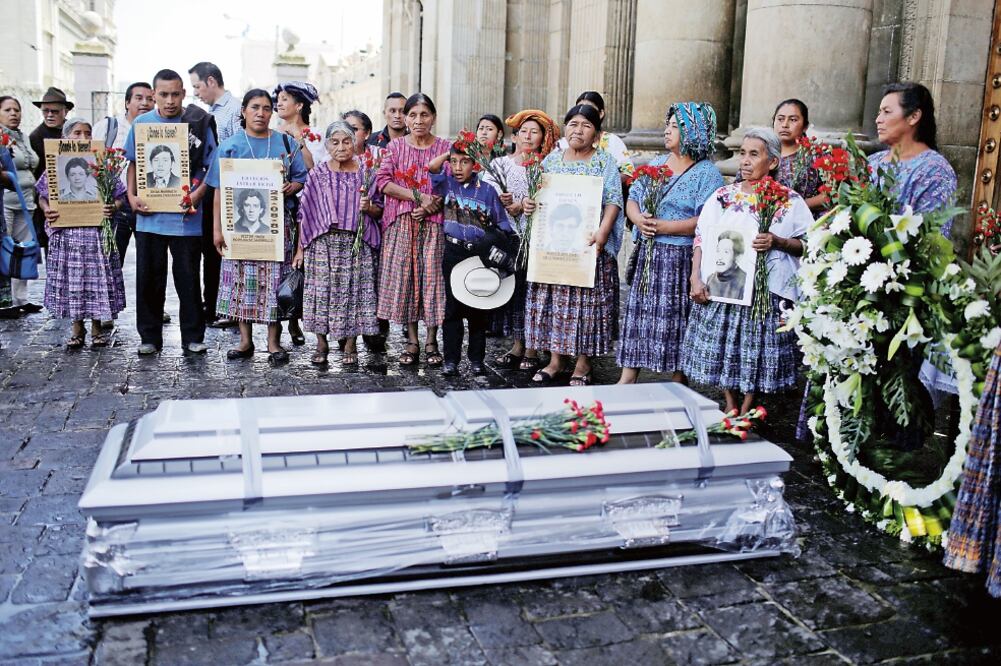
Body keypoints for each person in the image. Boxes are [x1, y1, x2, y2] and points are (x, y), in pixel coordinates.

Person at [682, 128, 812, 415]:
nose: (745, 160)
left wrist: (779, 242)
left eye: (754, 154)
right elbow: (702, 239)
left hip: (766, 291)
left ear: (773, 162)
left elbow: (809, 245)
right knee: (726, 344)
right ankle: (730, 402)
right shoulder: (723, 197)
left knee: (756, 347)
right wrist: (695, 277)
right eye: (743, 153)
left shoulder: (789, 201)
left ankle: (750, 405)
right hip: (725, 288)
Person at [617, 102, 724, 384]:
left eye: (676, 127)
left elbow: (706, 220)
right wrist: (638, 219)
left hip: (681, 257)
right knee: (639, 313)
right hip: (650, 254)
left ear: (694, 132)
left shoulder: (707, 174)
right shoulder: (655, 165)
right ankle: (628, 376)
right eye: (668, 125)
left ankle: (679, 378)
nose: (667, 131)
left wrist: (668, 227)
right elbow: (633, 199)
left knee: (679, 317)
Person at [522, 103, 624, 386]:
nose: (578, 130)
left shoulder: (604, 161)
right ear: (565, 128)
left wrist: (603, 233)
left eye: (586, 125)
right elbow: (537, 196)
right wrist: (529, 204)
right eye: (573, 124)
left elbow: (614, 200)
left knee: (587, 306)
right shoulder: (551, 162)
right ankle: (556, 360)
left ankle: (583, 363)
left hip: (589, 246)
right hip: (555, 248)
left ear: (597, 134)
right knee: (555, 302)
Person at [209, 88, 307, 366]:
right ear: (243, 111)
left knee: (273, 282)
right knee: (243, 282)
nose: (261, 113)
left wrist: (291, 187)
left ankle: (274, 342)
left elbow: (302, 178)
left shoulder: (285, 143)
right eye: (255, 107)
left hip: (278, 227)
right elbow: (217, 190)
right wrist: (217, 230)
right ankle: (244, 340)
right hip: (239, 226)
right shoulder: (230, 146)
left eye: (266, 108)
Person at [125, 68, 216, 356]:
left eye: (175, 94)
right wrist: (131, 196)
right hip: (150, 217)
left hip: (186, 220)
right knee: (149, 280)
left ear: (183, 94)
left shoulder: (198, 122)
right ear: (154, 95)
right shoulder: (142, 124)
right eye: (163, 94)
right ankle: (149, 337)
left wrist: (197, 195)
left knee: (188, 280)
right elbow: (134, 165)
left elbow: (211, 165)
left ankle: (193, 336)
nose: (169, 100)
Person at [293, 121, 382, 366]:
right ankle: (322, 343)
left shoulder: (367, 172)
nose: (341, 147)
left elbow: (379, 211)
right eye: (335, 142)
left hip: (357, 242)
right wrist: (300, 248)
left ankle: (350, 344)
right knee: (320, 293)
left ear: (355, 143)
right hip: (322, 243)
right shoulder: (318, 174)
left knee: (354, 293)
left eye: (346, 141)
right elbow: (305, 213)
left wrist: (370, 207)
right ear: (327, 145)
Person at [374, 92, 450, 367]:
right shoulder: (394, 148)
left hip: (434, 225)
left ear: (433, 118)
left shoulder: (445, 148)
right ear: (405, 118)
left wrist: (431, 206)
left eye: (424, 115)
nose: (418, 120)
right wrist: (417, 198)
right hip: (402, 223)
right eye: (413, 115)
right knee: (406, 280)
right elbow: (383, 182)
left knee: (432, 281)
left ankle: (432, 340)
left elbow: (453, 182)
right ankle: (411, 340)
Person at [34, 118, 126, 348]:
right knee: (73, 281)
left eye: (87, 133)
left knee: (96, 280)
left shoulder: (101, 164)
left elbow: (119, 196)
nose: (83, 138)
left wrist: (112, 207)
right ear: (66, 138)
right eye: (77, 133)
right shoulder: (56, 165)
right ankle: (77, 328)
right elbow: (43, 195)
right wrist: (47, 210)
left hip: (95, 234)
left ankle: (96, 328)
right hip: (68, 234)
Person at [483, 109, 560, 373]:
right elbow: (486, 202)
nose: (528, 136)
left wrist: (524, 205)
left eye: (534, 132)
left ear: (542, 138)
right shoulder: (499, 165)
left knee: (534, 294)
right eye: (523, 131)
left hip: (537, 237)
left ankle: (533, 348)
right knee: (515, 294)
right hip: (510, 237)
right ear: (514, 136)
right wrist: (504, 204)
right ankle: (518, 344)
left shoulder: (547, 166)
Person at [428, 138, 513, 376]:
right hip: (453, 253)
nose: (457, 167)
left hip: (478, 254)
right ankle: (451, 360)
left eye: (464, 162)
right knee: (452, 311)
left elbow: (502, 224)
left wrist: (494, 242)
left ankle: (476, 359)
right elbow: (432, 168)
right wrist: (449, 154)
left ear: (475, 164)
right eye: (454, 162)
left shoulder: (487, 191)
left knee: (479, 308)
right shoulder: (446, 185)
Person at [94, 82, 155, 262]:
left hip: (146, 201)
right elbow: (92, 161)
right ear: (127, 102)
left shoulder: (156, 129)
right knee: (112, 259)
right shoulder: (108, 127)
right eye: (139, 98)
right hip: (116, 204)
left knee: (148, 262)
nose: (145, 103)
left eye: (150, 99)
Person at [0, 95, 41, 314]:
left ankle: (21, 299)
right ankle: (4, 301)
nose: (14, 114)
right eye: (7, 110)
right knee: (4, 249)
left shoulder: (23, 136)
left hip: (26, 201)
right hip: (5, 202)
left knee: (23, 250)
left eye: (16, 110)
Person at [29, 87, 72, 252]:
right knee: (52, 248)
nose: (49, 115)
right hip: (48, 202)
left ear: (65, 111)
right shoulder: (36, 137)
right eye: (45, 111)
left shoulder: (72, 131)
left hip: (73, 196)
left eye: (54, 111)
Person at [556, 91, 634, 180]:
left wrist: (601, 183)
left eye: (589, 108)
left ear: (601, 113)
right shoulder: (561, 145)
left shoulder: (612, 141)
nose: (583, 112)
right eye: (579, 107)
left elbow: (628, 173)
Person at [772, 98, 826, 211]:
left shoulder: (818, 156)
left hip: (808, 221)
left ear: (805, 126)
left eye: (793, 120)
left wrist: (796, 206)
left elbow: (834, 194)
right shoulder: (762, 153)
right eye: (780, 119)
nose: (785, 125)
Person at [274, 81, 326, 171]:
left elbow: (311, 166)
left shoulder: (315, 133)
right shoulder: (272, 133)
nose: (279, 104)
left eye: (284, 99)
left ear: (299, 105)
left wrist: (298, 136)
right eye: (278, 99)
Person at [188, 62, 241, 143]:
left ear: (211, 81)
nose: (195, 93)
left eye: (197, 87)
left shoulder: (235, 110)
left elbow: (242, 149)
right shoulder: (212, 109)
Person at [705, 230, 747, 299]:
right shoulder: (710, 279)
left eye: (726, 252)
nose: (720, 257)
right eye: (718, 251)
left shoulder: (745, 282)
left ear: (737, 256)